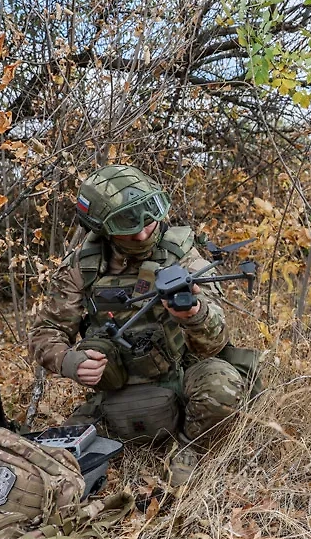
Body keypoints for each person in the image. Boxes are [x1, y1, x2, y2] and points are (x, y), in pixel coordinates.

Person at [31, 164, 258, 484]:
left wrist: (195, 315)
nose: (141, 233)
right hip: (115, 391)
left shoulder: (181, 252)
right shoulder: (83, 264)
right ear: (103, 227)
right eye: (126, 224)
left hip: (180, 381)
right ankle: (113, 441)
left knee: (222, 384)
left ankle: (189, 447)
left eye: (148, 218)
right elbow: (46, 333)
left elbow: (217, 341)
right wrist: (71, 361)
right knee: (55, 465)